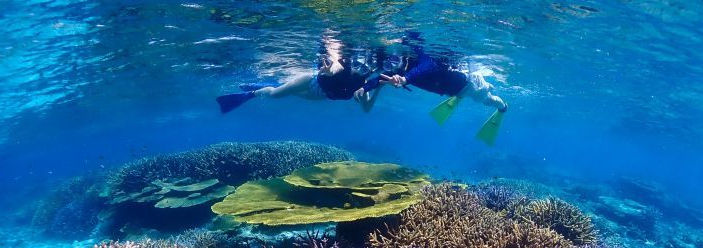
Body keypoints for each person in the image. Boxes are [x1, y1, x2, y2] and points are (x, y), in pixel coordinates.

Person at [217, 38, 381, 113]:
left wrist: (378, 88)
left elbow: (366, 109)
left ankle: (264, 86)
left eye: (365, 69)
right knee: (275, 95)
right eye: (358, 65)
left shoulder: (363, 84)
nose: (359, 70)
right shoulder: (342, 66)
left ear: (370, 71)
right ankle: (251, 94)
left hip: (321, 95)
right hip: (310, 82)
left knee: (288, 92)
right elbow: (334, 68)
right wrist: (329, 71)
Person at [354, 36, 507, 113]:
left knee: (487, 100)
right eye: (388, 64)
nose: (392, 68)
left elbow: (427, 66)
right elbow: (380, 79)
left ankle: (503, 106)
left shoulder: (420, 60)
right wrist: (364, 88)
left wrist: (406, 79)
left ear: (402, 56)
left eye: (394, 61)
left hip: (470, 84)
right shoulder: (398, 74)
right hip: (452, 91)